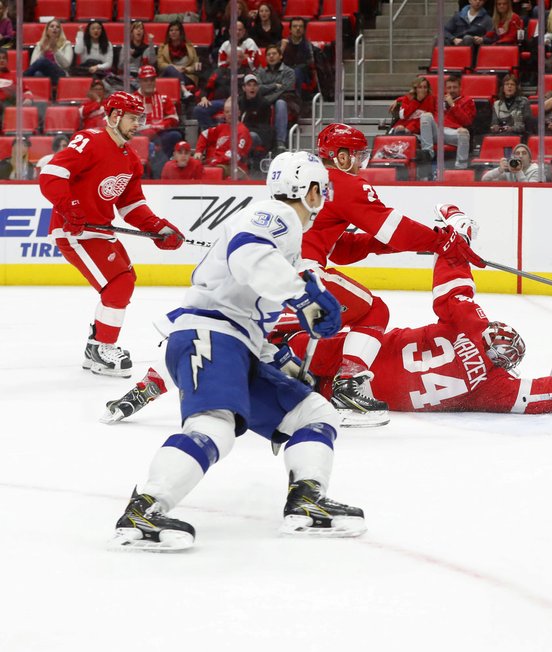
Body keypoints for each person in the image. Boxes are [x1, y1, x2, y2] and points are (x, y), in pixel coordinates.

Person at [112, 151, 366, 551]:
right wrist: (305, 298)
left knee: (314, 413)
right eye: (321, 189)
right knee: (214, 425)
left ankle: (305, 502)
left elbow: (252, 308)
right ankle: (144, 509)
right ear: (307, 188)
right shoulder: (274, 214)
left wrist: (282, 360)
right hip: (208, 333)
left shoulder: (285, 237)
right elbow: (248, 255)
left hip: (238, 343)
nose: (324, 198)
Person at [281, 206, 552, 413]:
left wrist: (458, 234)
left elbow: (453, 284)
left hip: (371, 360)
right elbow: (532, 398)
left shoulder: (472, 326)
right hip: (380, 393)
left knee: (301, 350)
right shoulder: (491, 385)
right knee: (314, 391)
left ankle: (270, 356)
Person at [306, 124, 484, 423]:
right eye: (357, 155)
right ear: (339, 156)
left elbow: (341, 249)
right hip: (301, 272)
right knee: (373, 311)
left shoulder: (312, 182)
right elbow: (393, 227)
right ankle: (348, 386)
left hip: (270, 273)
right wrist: (444, 240)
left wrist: (405, 243)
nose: (361, 163)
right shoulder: (343, 184)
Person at [39, 92, 185, 378]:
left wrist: (159, 227)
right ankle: (103, 348)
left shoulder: (131, 159)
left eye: (139, 119)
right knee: (119, 284)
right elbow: (51, 175)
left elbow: (132, 206)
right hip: (75, 232)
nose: (138, 124)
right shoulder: (89, 141)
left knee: (124, 281)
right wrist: (71, 208)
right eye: (133, 118)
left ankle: (96, 347)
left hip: (99, 232)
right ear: (116, 116)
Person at [135, 65, 183, 179]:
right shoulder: (132, 100)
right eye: (146, 80)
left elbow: (174, 118)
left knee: (174, 135)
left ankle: (158, 173)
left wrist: (156, 127)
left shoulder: (164, 99)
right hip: (139, 138)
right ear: (140, 81)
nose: (149, 83)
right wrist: (146, 130)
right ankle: (152, 173)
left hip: (160, 136)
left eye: (151, 80)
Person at [418, 75, 476, 168]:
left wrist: (452, 105)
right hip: (436, 130)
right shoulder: (438, 99)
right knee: (425, 116)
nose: (452, 90)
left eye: (455, 87)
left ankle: (461, 168)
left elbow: (467, 121)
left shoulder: (468, 101)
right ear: (445, 88)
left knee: (464, 133)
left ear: (460, 88)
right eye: (449, 87)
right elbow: (418, 98)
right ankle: (428, 153)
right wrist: (399, 101)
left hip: (453, 132)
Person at [194, 97, 252, 179]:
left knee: (215, 171)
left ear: (238, 113)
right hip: (218, 164)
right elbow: (204, 135)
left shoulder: (243, 131)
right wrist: (198, 151)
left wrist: (215, 161)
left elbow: (235, 155)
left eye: (232, 111)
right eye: (227, 112)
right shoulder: (221, 128)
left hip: (235, 167)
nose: (229, 114)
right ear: (224, 114)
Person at [257, 44, 296, 152]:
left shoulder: (289, 72)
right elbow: (257, 88)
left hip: (287, 101)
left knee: (280, 103)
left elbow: (285, 89)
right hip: (265, 102)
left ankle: (280, 142)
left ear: (280, 56)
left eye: (274, 54)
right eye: (268, 54)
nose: (271, 56)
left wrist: (267, 96)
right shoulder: (261, 72)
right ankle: (263, 142)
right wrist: (274, 86)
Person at [25, 19, 73, 86]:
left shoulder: (66, 44)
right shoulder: (40, 45)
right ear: (47, 31)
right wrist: (42, 51)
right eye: (52, 26)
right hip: (44, 74)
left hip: (60, 74)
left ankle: (22, 78)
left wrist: (55, 50)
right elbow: (33, 64)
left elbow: (66, 64)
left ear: (60, 31)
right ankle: (43, 95)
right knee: (37, 74)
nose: (55, 28)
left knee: (43, 61)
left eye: (57, 27)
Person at [157, 20, 201, 86]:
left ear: (181, 32)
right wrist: (175, 68)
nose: (173, 32)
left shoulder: (189, 46)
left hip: (186, 76)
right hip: (169, 76)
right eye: (171, 30)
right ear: (168, 33)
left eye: (176, 30)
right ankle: (183, 89)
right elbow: (160, 64)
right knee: (170, 69)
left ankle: (182, 87)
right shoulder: (163, 47)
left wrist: (186, 69)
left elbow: (195, 65)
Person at [281, 17, 316, 94]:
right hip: (285, 72)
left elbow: (311, 62)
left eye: (300, 26)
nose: (298, 28)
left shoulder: (308, 45)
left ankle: (296, 98)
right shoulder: (283, 44)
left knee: (297, 71)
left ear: (304, 30)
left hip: (303, 73)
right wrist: (282, 49)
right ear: (290, 29)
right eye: (295, 26)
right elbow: (275, 61)